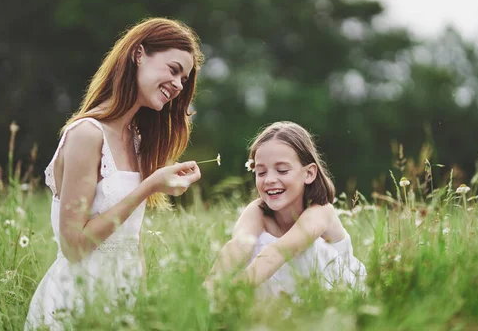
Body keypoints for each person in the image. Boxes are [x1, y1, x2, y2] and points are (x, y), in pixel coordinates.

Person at [25, 17, 204, 330]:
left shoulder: (136, 143)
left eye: (184, 79)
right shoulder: (87, 134)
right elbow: (74, 247)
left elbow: (130, 240)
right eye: (173, 69)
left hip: (123, 303)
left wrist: (143, 304)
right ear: (139, 54)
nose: (178, 85)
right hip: (75, 304)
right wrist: (148, 187)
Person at [206, 121, 367, 298]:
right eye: (261, 172)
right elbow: (238, 246)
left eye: (282, 170)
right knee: (251, 246)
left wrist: (232, 293)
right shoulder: (257, 211)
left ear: (309, 173)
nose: (269, 180)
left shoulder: (321, 212)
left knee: (290, 250)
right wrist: (210, 290)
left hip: (335, 295)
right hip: (284, 296)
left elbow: (279, 252)